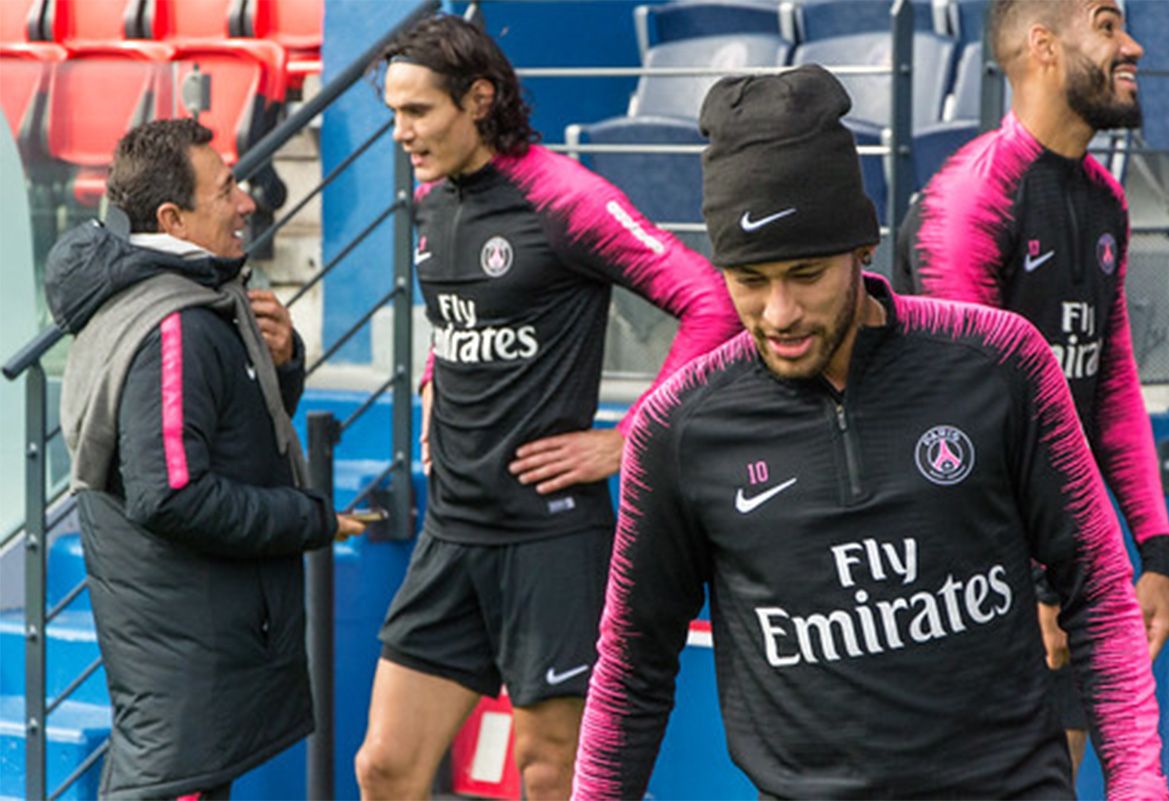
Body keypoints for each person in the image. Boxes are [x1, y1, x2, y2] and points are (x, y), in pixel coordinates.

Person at [571, 65, 1167, 800]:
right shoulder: (678, 427)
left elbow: (1099, 592)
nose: (780, 311)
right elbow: (632, 666)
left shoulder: (1003, 361)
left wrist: (1139, 782)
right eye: (749, 279)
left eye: (806, 272)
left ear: (863, 246)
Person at [353, 14, 742, 801]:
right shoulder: (432, 202)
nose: (401, 132)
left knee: (550, 770)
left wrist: (630, 437)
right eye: (394, 114)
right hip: (452, 528)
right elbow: (469, 316)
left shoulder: (565, 197)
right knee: (386, 766)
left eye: (418, 111)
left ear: (480, 99)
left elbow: (709, 299)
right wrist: (437, 370)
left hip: (551, 536)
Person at [44, 118, 364, 799]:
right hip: (185, 667)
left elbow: (219, 432)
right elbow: (172, 493)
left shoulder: (191, 301)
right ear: (173, 217)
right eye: (225, 189)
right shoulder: (171, 323)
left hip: (197, 657)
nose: (247, 201)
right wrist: (309, 517)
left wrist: (282, 366)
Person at [895, 0, 1169, 772]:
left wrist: (1154, 552)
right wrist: (1027, 579)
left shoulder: (1104, 200)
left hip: (1062, 567)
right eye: (1109, 25)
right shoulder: (969, 200)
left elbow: (1110, 382)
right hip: (964, 580)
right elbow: (958, 414)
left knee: (1055, 782)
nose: (1134, 46)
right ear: (1045, 47)